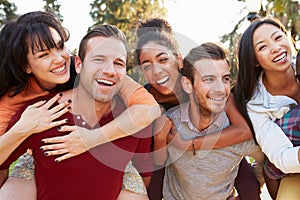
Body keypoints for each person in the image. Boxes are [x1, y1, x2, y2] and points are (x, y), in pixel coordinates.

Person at [0, 11, 159, 199]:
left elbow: (149, 109)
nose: (59, 59)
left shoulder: (110, 83)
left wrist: (89, 139)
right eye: (44, 55)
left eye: (60, 47)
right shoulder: (19, 104)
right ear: (26, 66)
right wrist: (22, 129)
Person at [135, 18, 262, 200]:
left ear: (178, 60)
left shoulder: (200, 79)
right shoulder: (146, 99)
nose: (157, 71)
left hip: (218, 148)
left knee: (250, 187)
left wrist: (190, 144)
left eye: (163, 59)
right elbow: (157, 156)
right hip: (174, 160)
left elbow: (242, 131)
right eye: (147, 65)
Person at [234, 17, 300, 199]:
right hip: (293, 169)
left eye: (278, 38)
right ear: (254, 60)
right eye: (263, 47)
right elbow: (281, 156)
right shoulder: (257, 105)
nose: (275, 48)